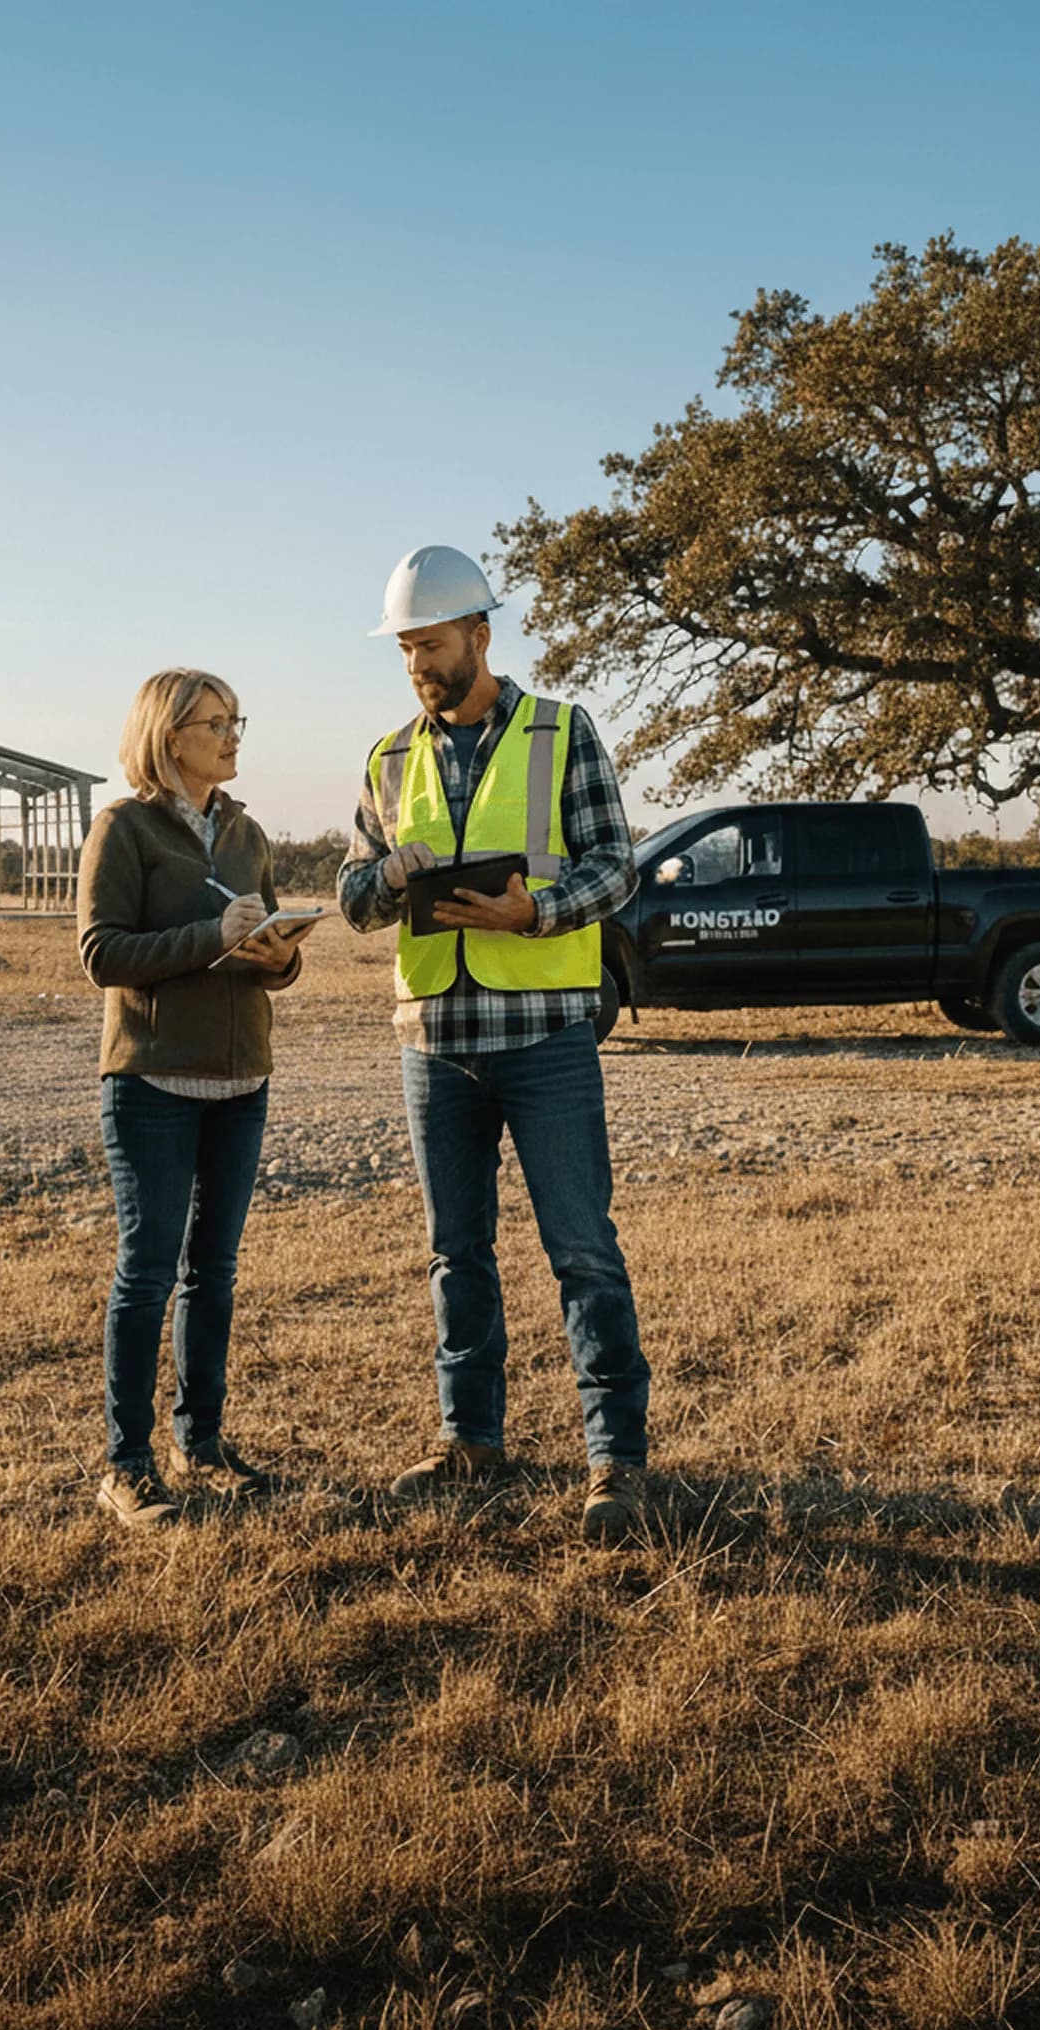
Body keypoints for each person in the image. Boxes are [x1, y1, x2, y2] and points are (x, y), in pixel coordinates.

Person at [338, 545, 652, 1542]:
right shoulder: (388, 757)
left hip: (546, 1034)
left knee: (583, 1253)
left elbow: (618, 867)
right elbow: (350, 898)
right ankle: (468, 1439)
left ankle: (617, 1462)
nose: (417, 664)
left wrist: (538, 912)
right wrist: (387, 876)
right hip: (433, 1042)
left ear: (481, 631)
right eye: (404, 649)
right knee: (453, 1254)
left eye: (429, 643)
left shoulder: (564, 731)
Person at [77, 667, 313, 1529]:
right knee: (146, 1275)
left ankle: (201, 1443)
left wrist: (280, 955)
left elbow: (275, 952)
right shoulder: (124, 828)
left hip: (242, 1075)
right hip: (151, 1081)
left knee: (213, 1272)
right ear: (170, 735)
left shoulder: (246, 833)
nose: (233, 735)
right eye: (217, 723)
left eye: (236, 720)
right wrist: (206, 937)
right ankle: (126, 1464)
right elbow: (101, 953)